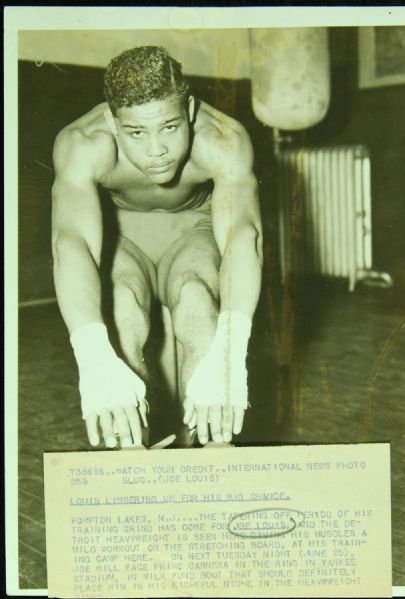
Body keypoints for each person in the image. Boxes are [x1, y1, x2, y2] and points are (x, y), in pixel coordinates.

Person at [51, 46, 263, 449]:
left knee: (198, 307)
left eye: (169, 127)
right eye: (135, 132)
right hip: (123, 239)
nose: (156, 150)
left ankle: (213, 455)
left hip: (192, 234)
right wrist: (92, 354)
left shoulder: (223, 140)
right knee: (122, 315)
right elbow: (71, 242)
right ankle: (131, 461)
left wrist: (231, 354)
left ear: (191, 113)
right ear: (113, 125)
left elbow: (243, 234)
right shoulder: (83, 143)